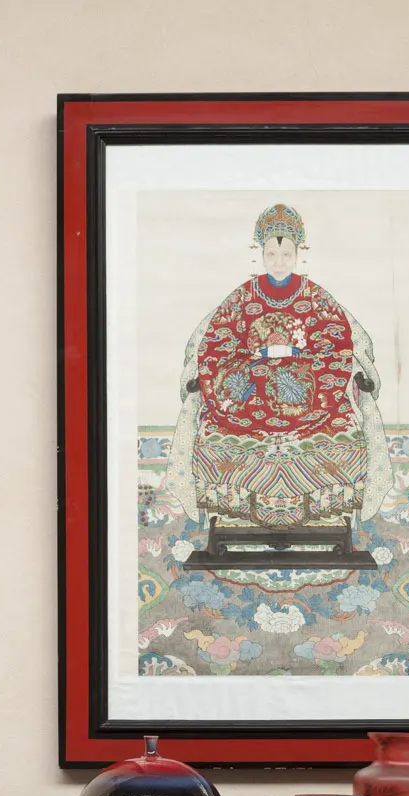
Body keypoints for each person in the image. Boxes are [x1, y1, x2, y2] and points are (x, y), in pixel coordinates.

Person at [166, 204, 392, 546]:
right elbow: (219, 340)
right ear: (261, 254)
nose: (280, 260)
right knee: (237, 386)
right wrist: (253, 361)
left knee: (307, 390)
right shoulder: (243, 296)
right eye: (272, 252)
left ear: (299, 253)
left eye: (287, 253)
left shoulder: (316, 297)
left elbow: (336, 341)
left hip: (307, 389)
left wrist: (297, 358)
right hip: (252, 383)